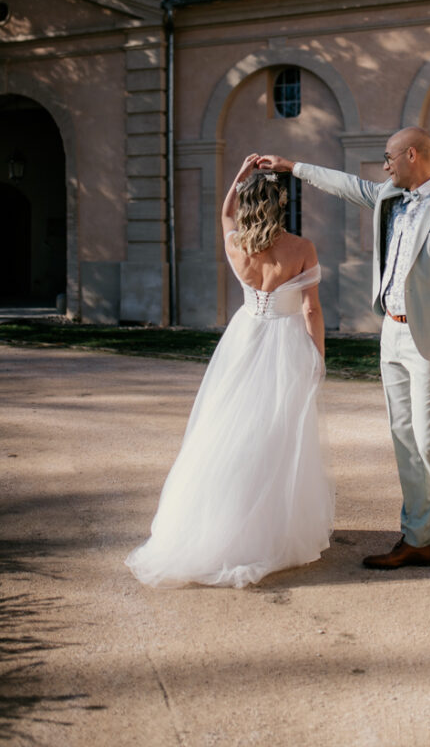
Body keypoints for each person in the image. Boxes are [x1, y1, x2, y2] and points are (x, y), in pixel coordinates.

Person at [259, 127, 430, 580]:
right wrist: (293, 167)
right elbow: (347, 185)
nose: (384, 166)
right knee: (405, 441)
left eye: (389, 158)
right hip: (392, 334)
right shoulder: (389, 196)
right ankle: (417, 540)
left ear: (411, 154)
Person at [125, 154, 334, 588]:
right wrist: (318, 356)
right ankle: (267, 529)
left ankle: (220, 523)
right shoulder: (301, 248)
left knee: (229, 427)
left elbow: (223, 212)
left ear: (246, 206)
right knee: (279, 432)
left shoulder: (236, 242)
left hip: (244, 338)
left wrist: (239, 176)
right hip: (285, 343)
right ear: (279, 206)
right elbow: (312, 309)